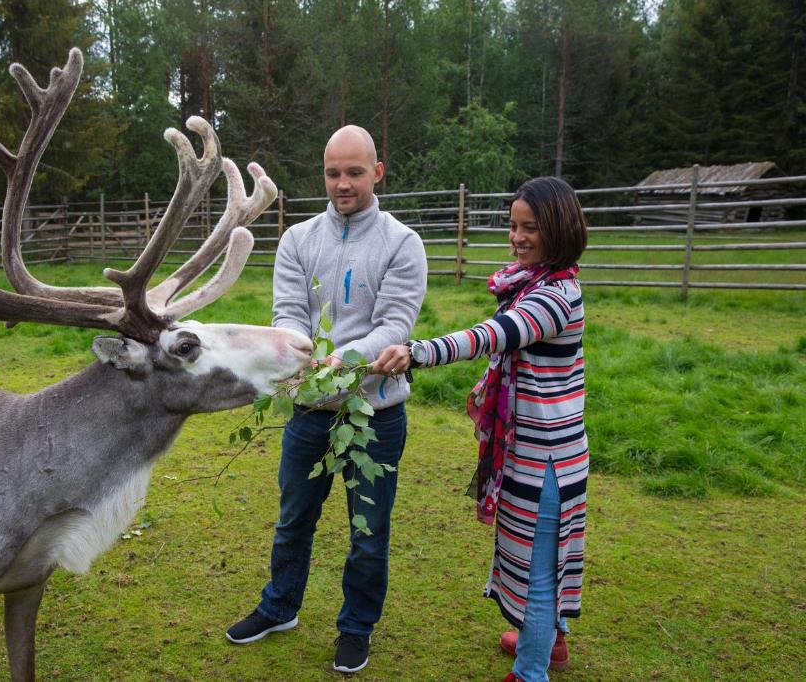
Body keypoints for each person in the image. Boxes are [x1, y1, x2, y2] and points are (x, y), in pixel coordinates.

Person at [225, 125, 427, 674]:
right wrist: (299, 349)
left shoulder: (402, 243)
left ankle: (356, 627)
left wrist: (343, 358)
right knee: (294, 519)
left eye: (355, 172)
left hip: (375, 417)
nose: (343, 183)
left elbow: (394, 326)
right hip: (311, 413)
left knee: (368, 530)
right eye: (334, 173)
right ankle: (280, 607)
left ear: (377, 172)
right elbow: (287, 311)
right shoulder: (298, 239)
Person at [372, 176, 588, 682]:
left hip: (548, 458)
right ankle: (551, 638)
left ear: (558, 229)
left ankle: (531, 670)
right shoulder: (530, 283)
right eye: (513, 226)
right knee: (538, 552)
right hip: (529, 449)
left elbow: (493, 336)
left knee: (538, 566)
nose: (517, 237)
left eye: (530, 228)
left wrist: (418, 351)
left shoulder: (557, 295)